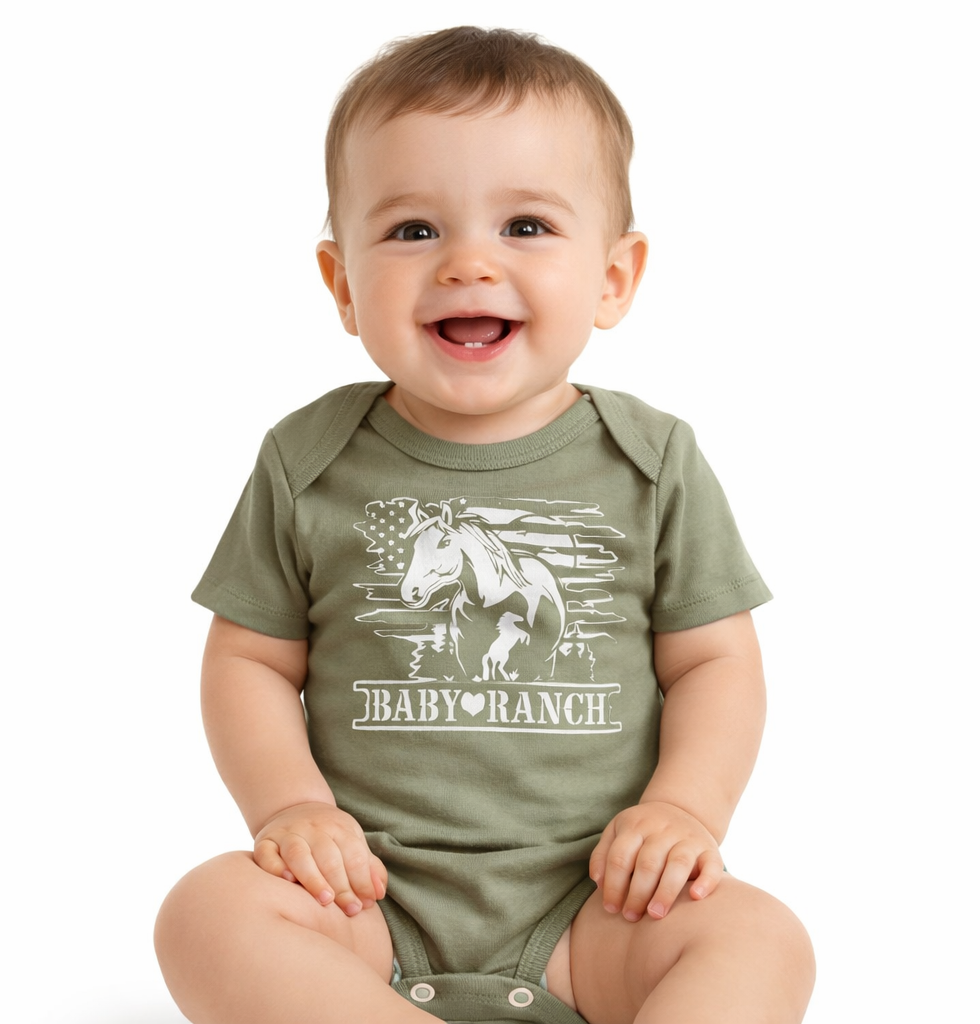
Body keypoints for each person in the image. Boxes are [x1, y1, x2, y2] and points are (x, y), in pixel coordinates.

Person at [154, 26, 815, 1024]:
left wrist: (683, 810)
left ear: (613, 278)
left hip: (595, 907)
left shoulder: (652, 460)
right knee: (204, 913)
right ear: (342, 284)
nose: (468, 262)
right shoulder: (308, 458)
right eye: (414, 230)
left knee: (763, 940)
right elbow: (248, 658)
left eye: (526, 226)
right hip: (365, 904)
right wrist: (291, 809)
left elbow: (714, 662)